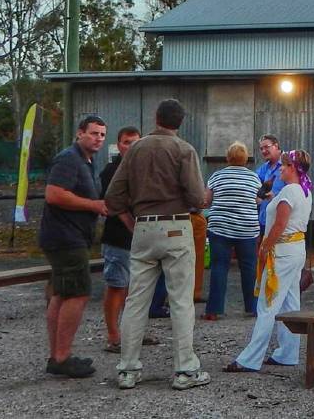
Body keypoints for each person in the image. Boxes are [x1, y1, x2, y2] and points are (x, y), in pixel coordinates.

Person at [105, 99, 210, 391]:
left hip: (143, 227)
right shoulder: (184, 150)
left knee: (136, 300)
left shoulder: (135, 149)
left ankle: (127, 369)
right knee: (180, 300)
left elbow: (113, 198)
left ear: (156, 118)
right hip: (176, 225)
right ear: (180, 122)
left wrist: (135, 218)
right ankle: (185, 369)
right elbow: (196, 198)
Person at [225, 149, 314, 372]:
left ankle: (250, 359)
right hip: (296, 249)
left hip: (281, 251)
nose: (280, 169)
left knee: (267, 304)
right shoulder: (304, 190)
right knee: (290, 302)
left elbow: (279, 225)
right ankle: (287, 352)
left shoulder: (289, 192)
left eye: (284, 165)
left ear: (292, 167)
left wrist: (264, 248)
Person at [40, 115, 108, 378]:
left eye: (102, 135)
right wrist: (94, 205)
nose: (98, 138)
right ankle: (61, 357)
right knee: (78, 294)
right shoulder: (68, 158)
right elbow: (54, 194)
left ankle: (58, 355)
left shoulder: (87, 161)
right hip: (65, 238)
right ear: (80, 133)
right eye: (93, 133)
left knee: (62, 293)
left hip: (72, 236)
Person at [99, 126, 161, 353]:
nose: (131, 146)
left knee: (138, 289)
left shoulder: (143, 169)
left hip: (142, 238)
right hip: (118, 238)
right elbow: (112, 203)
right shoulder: (110, 171)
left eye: (135, 142)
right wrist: (132, 226)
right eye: (126, 142)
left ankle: (134, 331)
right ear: (119, 145)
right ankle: (114, 336)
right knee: (117, 286)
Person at [203, 141, 262, 320]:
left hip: (220, 227)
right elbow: (258, 201)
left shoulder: (217, 176)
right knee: (249, 267)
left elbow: (207, 200)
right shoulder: (254, 178)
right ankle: (252, 308)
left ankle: (213, 310)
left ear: (228, 158)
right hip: (247, 229)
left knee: (219, 266)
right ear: (246, 159)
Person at [255, 134, 285, 233]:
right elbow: (254, 183)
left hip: (282, 221)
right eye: (261, 148)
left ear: (276, 146)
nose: (263, 151)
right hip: (264, 220)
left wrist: (275, 198)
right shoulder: (264, 168)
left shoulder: (289, 163)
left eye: (266, 147)